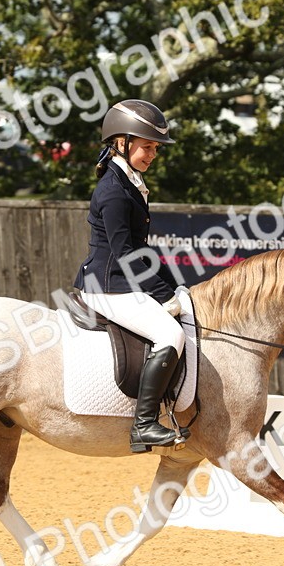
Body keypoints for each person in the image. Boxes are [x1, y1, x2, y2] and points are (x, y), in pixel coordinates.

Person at [73, 99, 186, 453]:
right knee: (170, 334)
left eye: (155, 148)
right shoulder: (114, 191)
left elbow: (142, 250)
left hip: (119, 281)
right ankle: (144, 424)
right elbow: (126, 254)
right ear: (122, 142)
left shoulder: (129, 182)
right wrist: (163, 296)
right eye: (147, 146)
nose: (153, 154)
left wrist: (173, 286)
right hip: (107, 286)